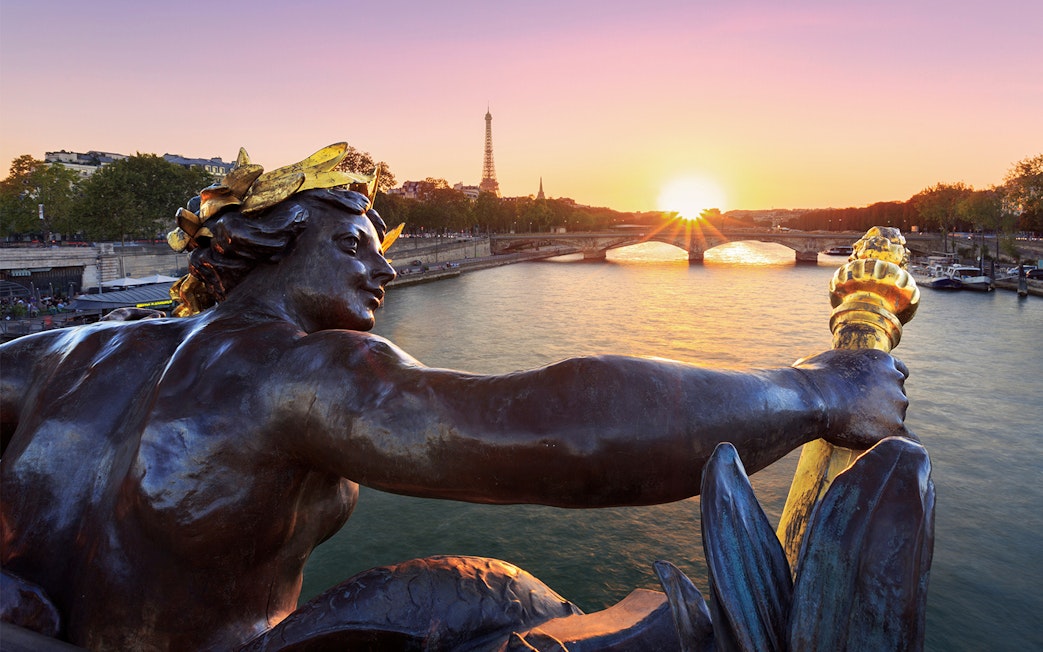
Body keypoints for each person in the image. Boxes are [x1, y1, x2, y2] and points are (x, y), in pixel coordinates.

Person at [0, 145, 909, 651]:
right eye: (357, 238)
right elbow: (555, 431)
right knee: (505, 598)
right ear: (277, 240)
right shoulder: (297, 371)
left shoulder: (63, 350)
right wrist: (811, 390)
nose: (383, 261)